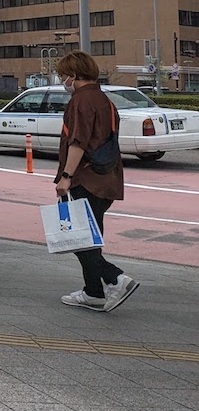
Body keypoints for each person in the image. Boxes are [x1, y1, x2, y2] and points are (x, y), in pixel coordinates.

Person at [54, 51, 139, 311]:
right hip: (107, 177)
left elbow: (77, 142)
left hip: (86, 178)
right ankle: (93, 292)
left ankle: (115, 278)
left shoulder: (81, 101)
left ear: (74, 75)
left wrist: (66, 177)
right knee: (89, 237)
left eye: (62, 75)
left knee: (80, 239)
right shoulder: (104, 100)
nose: (62, 80)